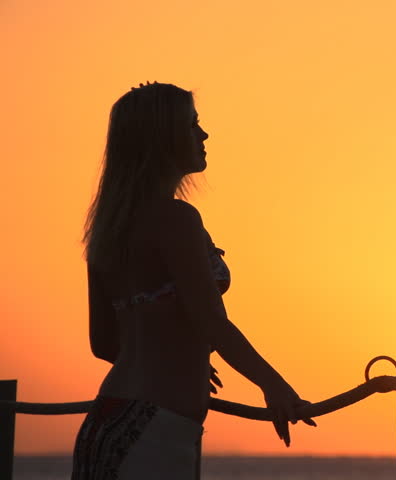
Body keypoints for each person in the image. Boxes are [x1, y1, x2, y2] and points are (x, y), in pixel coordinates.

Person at [71, 82, 316, 480]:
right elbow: (212, 323)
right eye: (192, 125)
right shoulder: (176, 219)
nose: (203, 135)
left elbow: (103, 342)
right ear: (162, 138)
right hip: (154, 431)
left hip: (106, 421)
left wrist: (177, 358)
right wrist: (274, 386)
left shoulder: (108, 230)